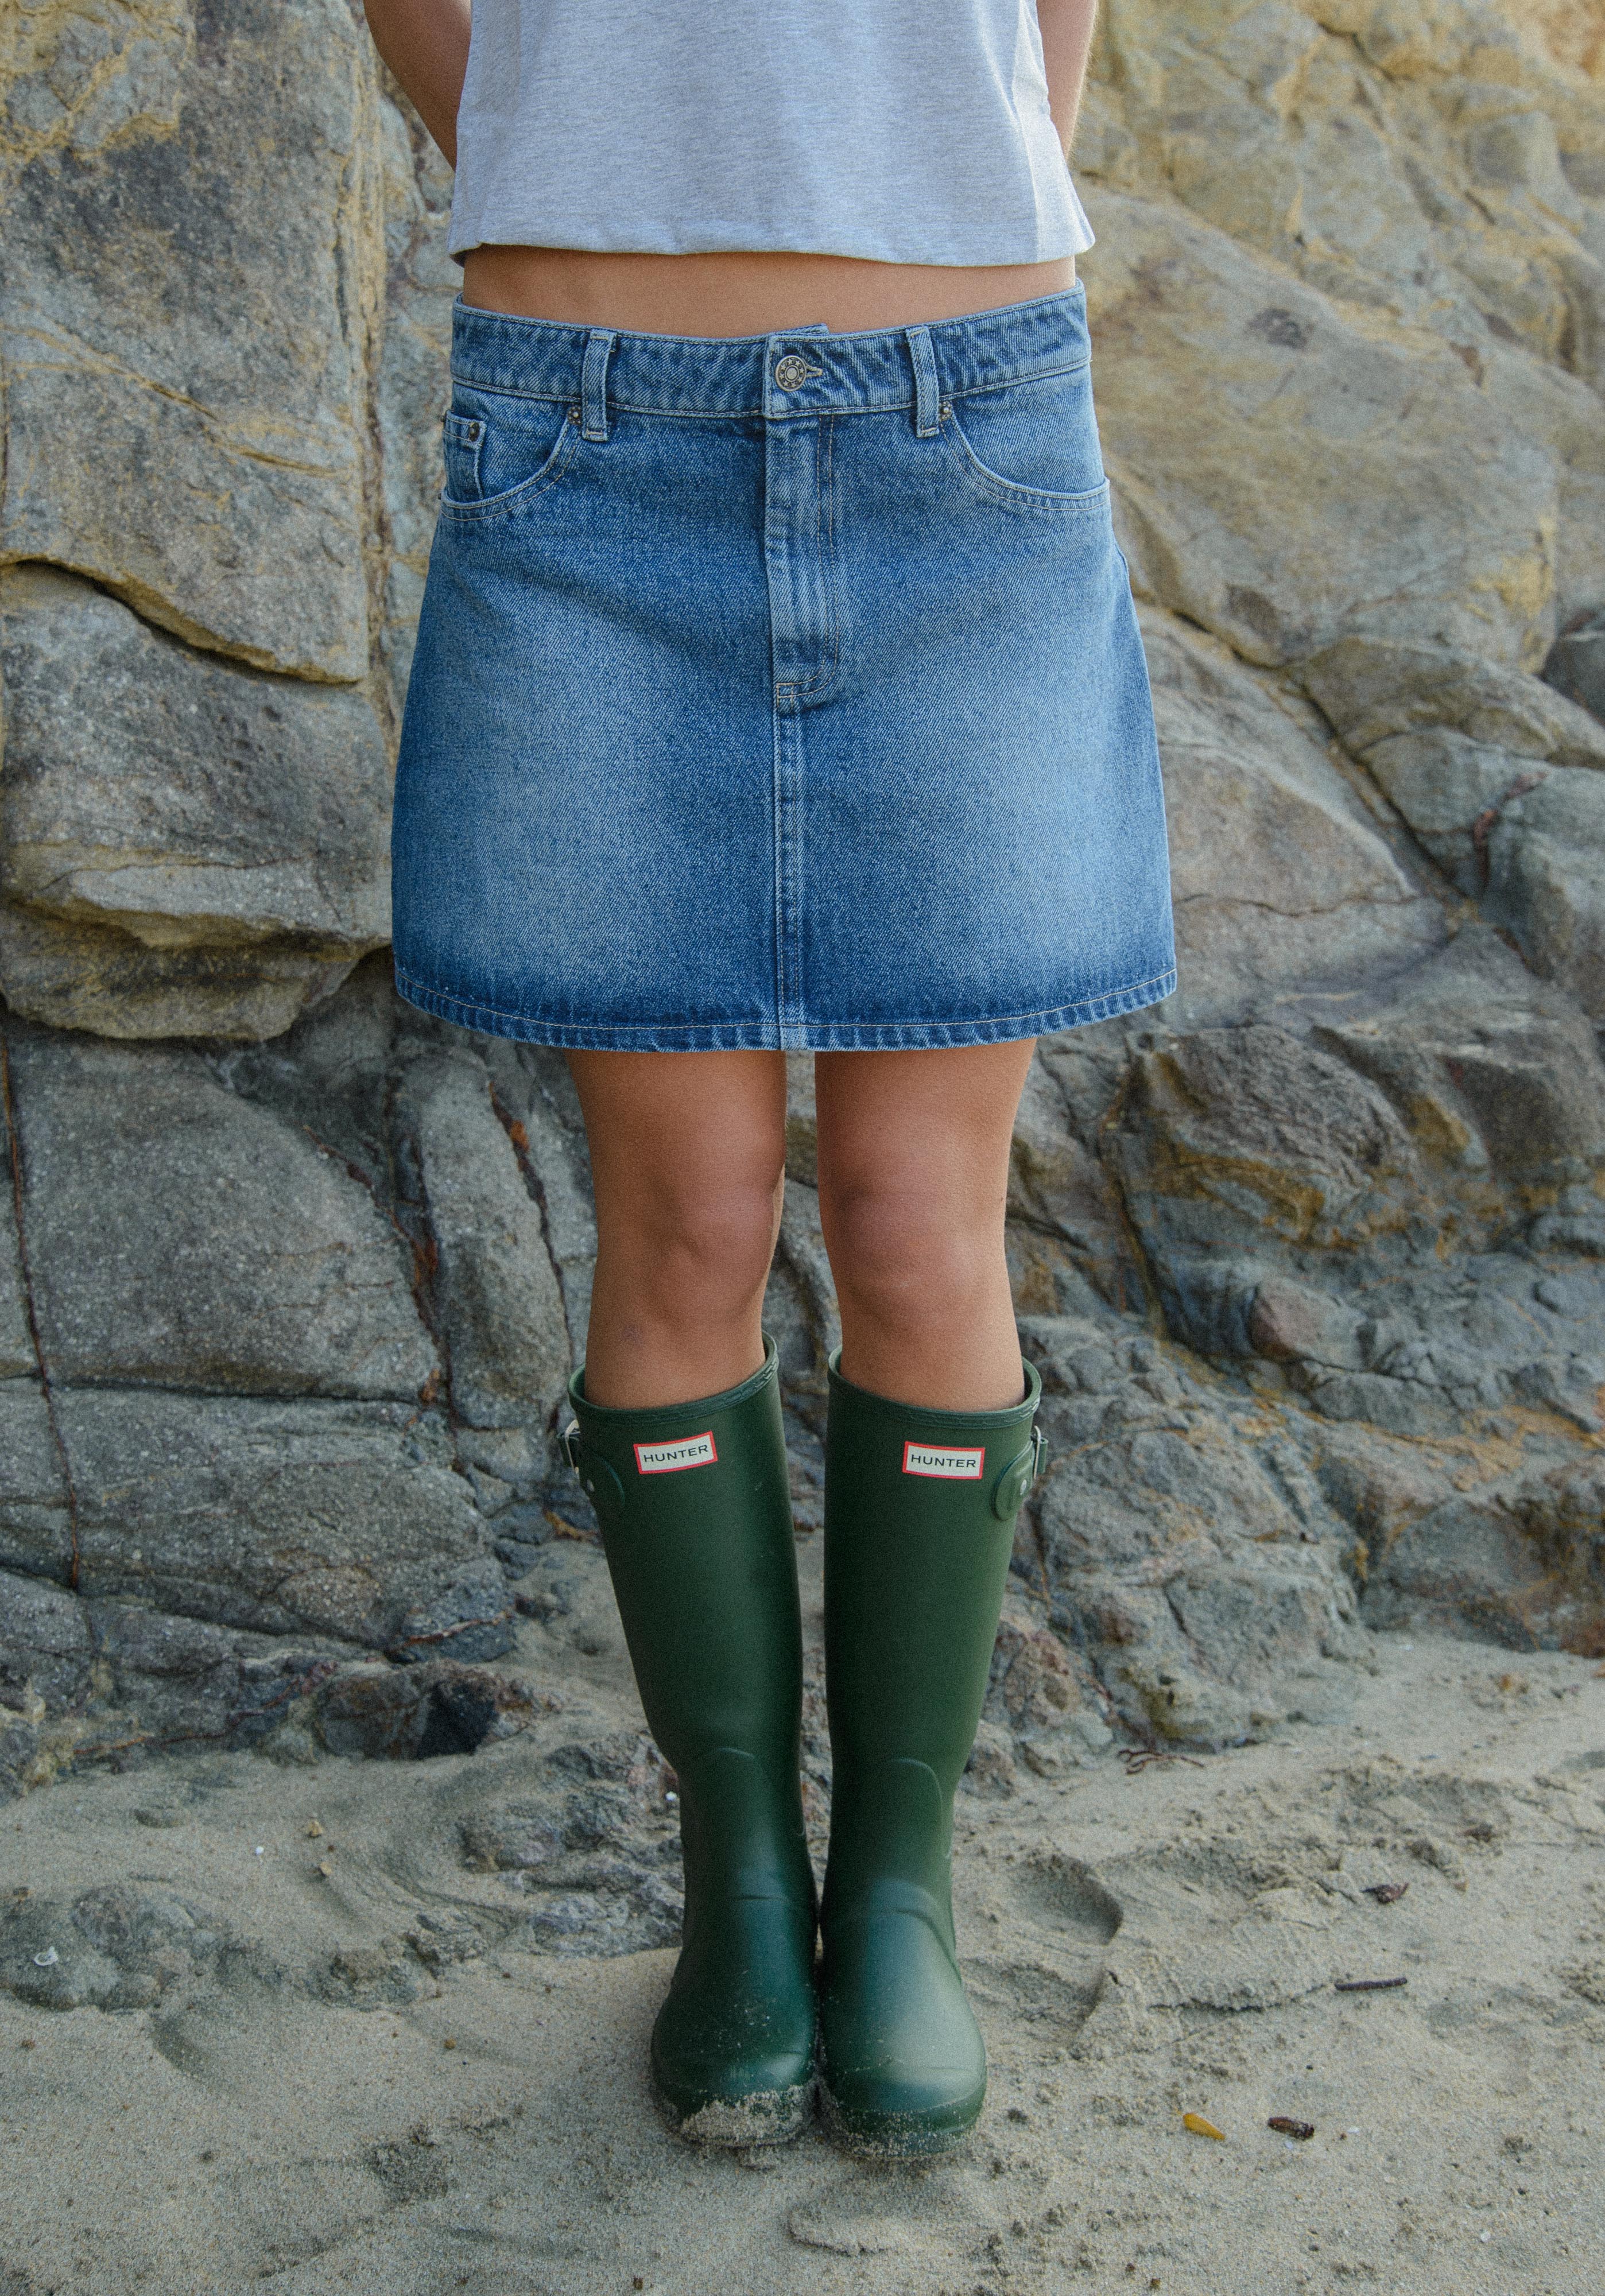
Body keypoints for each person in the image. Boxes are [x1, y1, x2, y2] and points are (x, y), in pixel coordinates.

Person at [362, 0, 1174, 2158]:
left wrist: (971, 155)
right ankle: (736, 1885)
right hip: (584, 433)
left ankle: (892, 1899)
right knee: (695, 1221)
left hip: (966, 433)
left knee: (918, 1226)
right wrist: (559, 137)